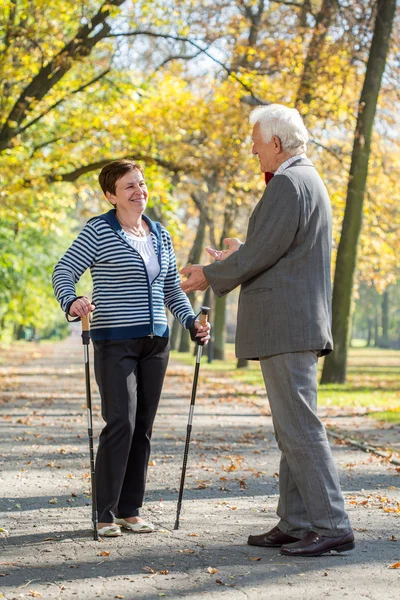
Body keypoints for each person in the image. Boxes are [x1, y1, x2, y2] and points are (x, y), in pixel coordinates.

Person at [180, 104, 354, 557]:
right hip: (293, 324)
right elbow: (272, 248)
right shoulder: (305, 181)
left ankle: (332, 523)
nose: (253, 150)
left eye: (257, 143)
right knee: (291, 428)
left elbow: (262, 256)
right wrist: (242, 249)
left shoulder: (289, 183)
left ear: (276, 143)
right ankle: (296, 522)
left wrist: (208, 274)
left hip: (288, 326)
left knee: (300, 428)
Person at [53, 159, 210, 537]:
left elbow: (172, 288)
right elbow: (64, 270)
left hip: (156, 341)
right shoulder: (98, 231)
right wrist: (72, 301)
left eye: (141, 184)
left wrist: (191, 322)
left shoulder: (161, 234)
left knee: (143, 426)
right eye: (129, 186)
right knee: (120, 421)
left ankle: (130, 509)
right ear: (111, 195)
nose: (139, 191)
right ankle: (104, 513)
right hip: (113, 339)